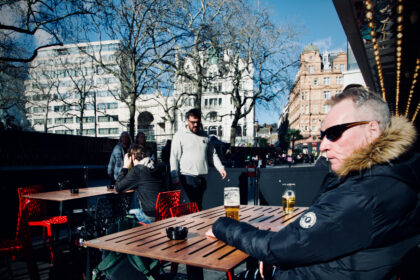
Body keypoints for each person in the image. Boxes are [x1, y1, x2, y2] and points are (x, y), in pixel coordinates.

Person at [206, 86, 420, 279]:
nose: (323, 146)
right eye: (323, 135)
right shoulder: (394, 174)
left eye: (334, 133)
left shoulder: (363, 192)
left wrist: (221, 225)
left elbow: (277, 247)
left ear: (372, 131)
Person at [170, 108, 227, 210]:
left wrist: (220, 168)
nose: (196, 125)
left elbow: (212, 154)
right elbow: (174, 157)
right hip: (186, 177)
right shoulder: (179, 135)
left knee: (197, 207)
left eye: (198, 122)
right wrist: (175, 177)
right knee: (191, 208)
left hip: (201, 178)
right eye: (193, 122)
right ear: (187, 120)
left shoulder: (204, 135)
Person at [114, 144, 167, 223]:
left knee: (126, 214)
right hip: (164, 212)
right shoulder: (155, 166)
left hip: (150, 216)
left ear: (132, 157)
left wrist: (125, 166)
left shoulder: (137, 170)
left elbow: (117, 188)